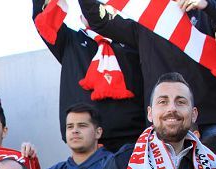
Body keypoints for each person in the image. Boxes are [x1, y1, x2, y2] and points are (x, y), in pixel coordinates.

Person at [78, 0, 216, 138]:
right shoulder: (145, 21)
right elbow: (101, 21)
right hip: (167, 121)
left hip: (213, 119)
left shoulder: (204, 8)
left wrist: (207, 5)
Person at [32, 0, 145, 152]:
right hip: (86, 146)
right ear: (81, 17)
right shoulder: (69, 41)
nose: (97, 11)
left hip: (133, 141)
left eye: (103, 6)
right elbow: (44, 19)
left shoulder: (132, 41)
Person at [39, 104, 114, 169]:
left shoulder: (114, 166)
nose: (75, 131)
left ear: (98, 132)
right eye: (70, 126)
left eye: (82, 125)